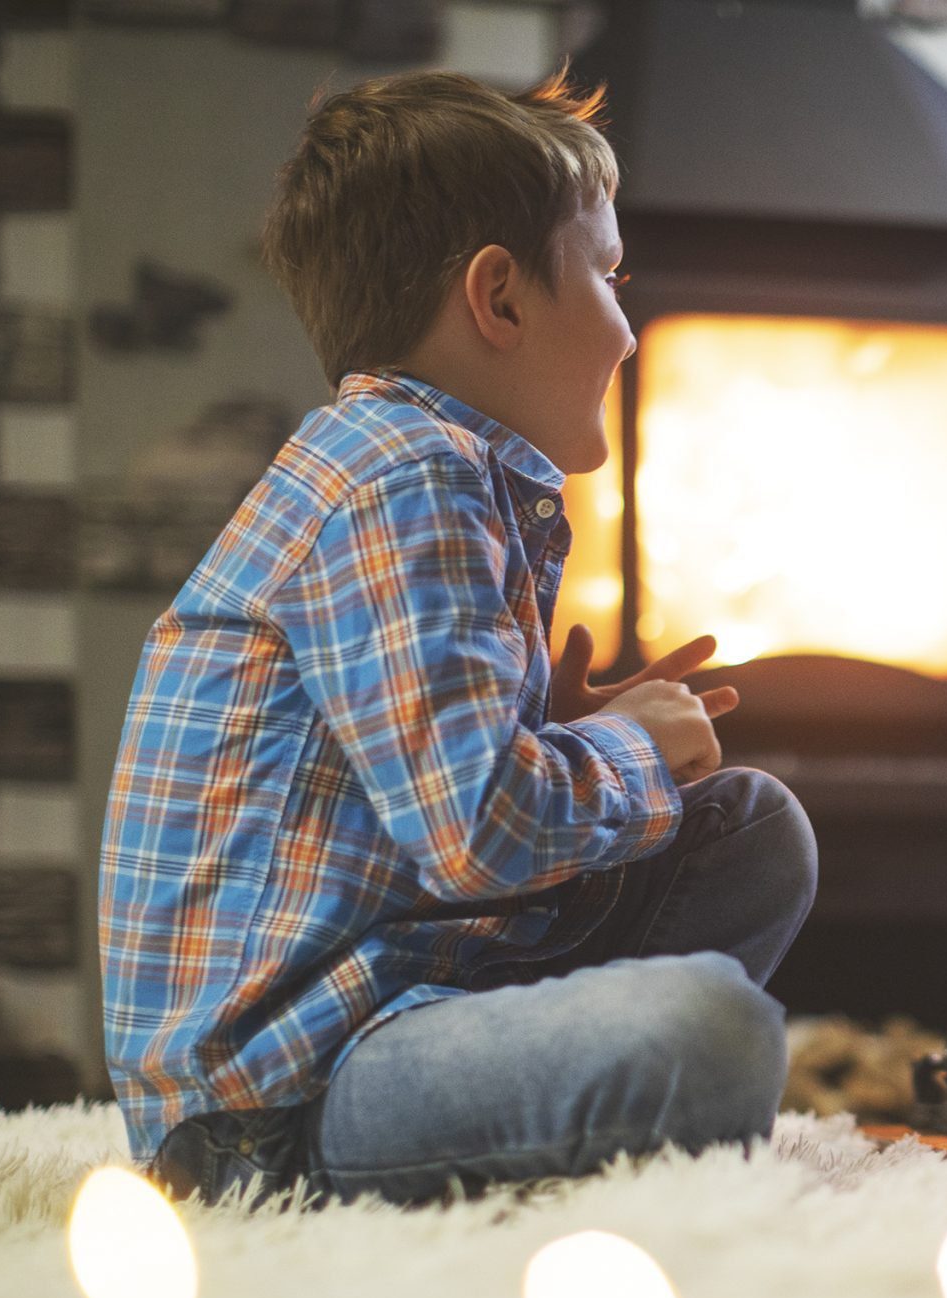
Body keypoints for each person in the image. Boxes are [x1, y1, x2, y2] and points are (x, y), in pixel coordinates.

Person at [100, 70, 816, 1205]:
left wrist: (557, 728)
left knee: (747, 829)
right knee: (712, 1029)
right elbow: (477, 831)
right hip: (277, 1105)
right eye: (609, 274)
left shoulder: (410, 463)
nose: (628, 329)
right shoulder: (407, 476)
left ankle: (543, 1115)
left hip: (405, 1000)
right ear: (500, 299)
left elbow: (423, 798)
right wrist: (632, 750)